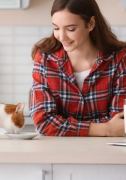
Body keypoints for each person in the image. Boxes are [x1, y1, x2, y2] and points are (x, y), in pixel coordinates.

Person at [30, 0, 126, 137]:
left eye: (71, 29)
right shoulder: (45, 59)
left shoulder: (120, 59)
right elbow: (44, 122)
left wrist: (62, 127)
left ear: (91, 24)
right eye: (56, 28)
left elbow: (120, 122)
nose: (61, 37)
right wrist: (106, 129)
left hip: (106, 153)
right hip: (59, 153)